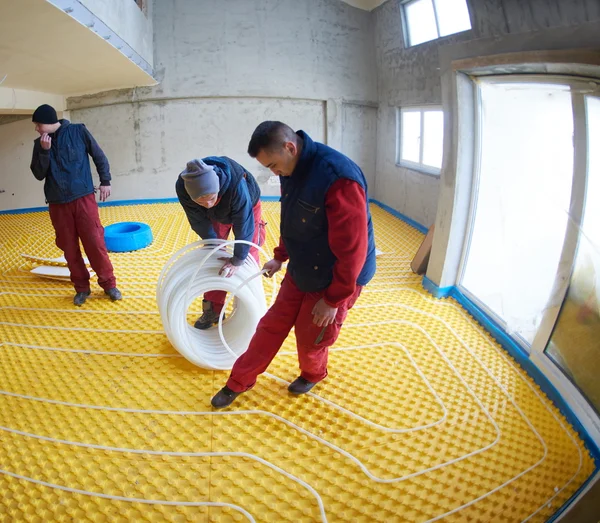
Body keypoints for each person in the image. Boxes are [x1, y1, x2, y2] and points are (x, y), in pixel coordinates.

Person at [211, 121, 376, 408]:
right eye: (268, 167)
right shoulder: (291, 169)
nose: (273, 172)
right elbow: (293, 220)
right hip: (303, 266)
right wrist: (280, 256)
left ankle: (314, 373)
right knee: (271, 325)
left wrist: (333, 298)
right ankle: (237, 382)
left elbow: (353, 249)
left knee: (312, 336)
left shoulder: (339, 178)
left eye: (274, 165)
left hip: (338, 275)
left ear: (290, 147)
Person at [30, 104, 121, 307]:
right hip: (57, 204)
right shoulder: (39, 144)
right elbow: (38, 174)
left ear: (48, 121)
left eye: (38, 124)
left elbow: (98, 156)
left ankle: (108, 284)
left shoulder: (78, 131)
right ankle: (82, 288)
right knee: (69, 248)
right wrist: (45, 152)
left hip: (83, 198)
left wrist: (105, 181)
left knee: (95, 242)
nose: (37, 129)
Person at [175, 156, 265, 329]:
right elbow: (199, 221)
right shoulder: (184, 188)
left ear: (218, 188)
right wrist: (213, 245)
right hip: (219, 213)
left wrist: (238, 259)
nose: (208, 204)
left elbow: (244, 225)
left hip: (248, 208)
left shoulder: (236, 185)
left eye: (211, 197)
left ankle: (248, 308)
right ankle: (213, 309)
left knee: (248, 257)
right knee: (215, 256)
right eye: (201, 201)